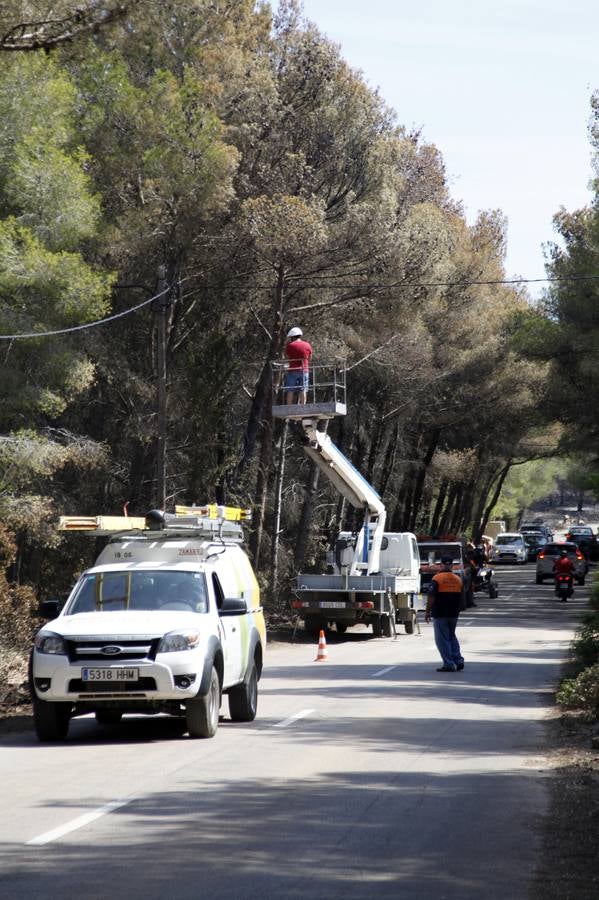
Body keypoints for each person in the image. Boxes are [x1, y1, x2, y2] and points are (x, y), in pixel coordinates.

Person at [425, 554, 465, 672]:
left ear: (441, 565)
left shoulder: (437, 579)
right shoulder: (458, 579)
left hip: (440, 613)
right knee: (451, 636)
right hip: (453, 614)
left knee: (442, 639)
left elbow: (431, 597)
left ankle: (449, 664)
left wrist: (427, 612)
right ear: (452, 565)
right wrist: (460, 609)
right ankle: (458, 660)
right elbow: (462, 598)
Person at [284, 326, 312, 404]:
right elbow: (309, 358)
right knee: (303, 390)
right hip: (304, 370)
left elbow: (286, 357)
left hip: (293, 370)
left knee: (290, 390)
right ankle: (303, 407)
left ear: (292, 337)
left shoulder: (290, 346)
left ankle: (289, 408)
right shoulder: (307, 345)